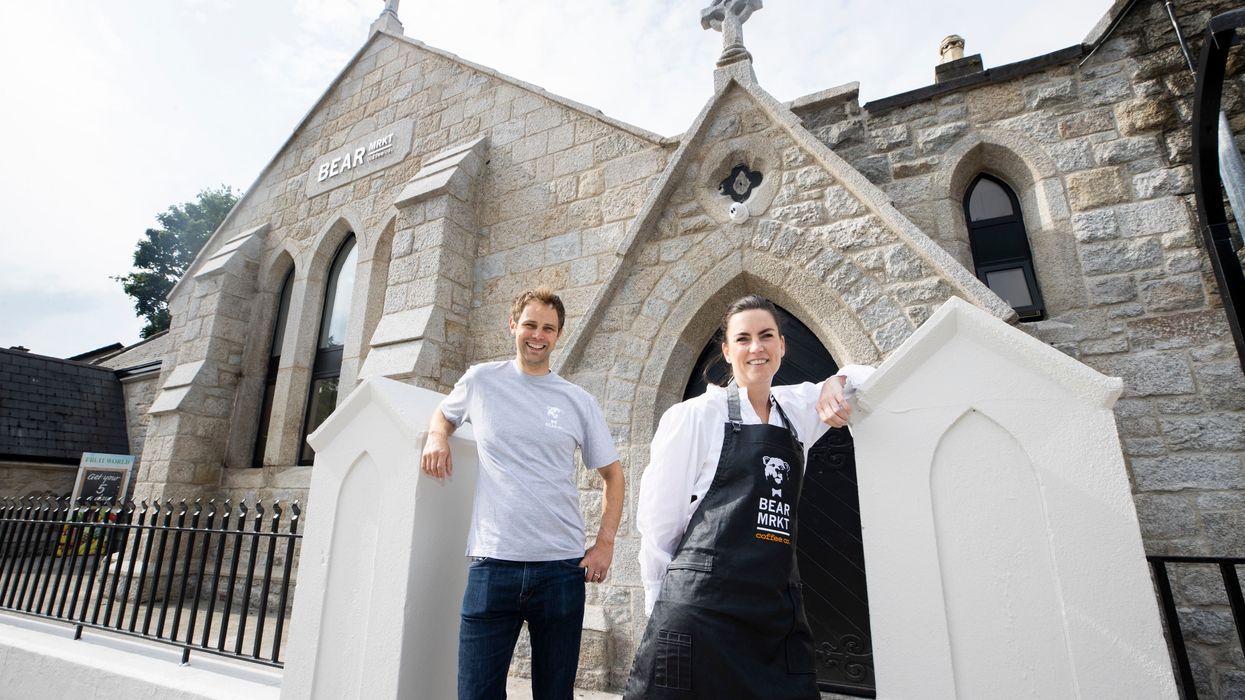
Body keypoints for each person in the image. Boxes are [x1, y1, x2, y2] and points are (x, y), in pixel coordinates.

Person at [625, 294, 873, 699]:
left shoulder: (795, 409)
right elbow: (658, 522)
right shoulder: (695, 415)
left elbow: (871, 374)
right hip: (703, 609)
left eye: (766, 336)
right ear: (727, 351)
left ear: (782, 346)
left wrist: (837, 381)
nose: (756, 348)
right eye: (743, 339)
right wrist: (658, 603)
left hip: (774, 612)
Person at [421, 287, 625, 700]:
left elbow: (614, 475)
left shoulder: (577, 400)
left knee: (555, 694)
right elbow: (445, 413)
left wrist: (604, 544)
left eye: (548, 328)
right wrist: (437, 436)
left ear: (558, 335)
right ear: (513, 325)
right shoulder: (481, 380)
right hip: (493, 565)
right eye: (530, 324)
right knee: (476, 693)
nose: (538, 335)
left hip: (561, 570)